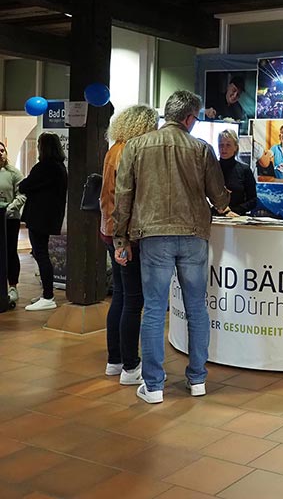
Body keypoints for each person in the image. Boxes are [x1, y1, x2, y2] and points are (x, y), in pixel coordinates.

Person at [114, 90, 230, 404]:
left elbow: (123, 197)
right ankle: (197, 380)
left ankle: (153, 386)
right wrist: (224, 201)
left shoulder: (136, 146)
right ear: (190, 118)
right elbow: (219, 198)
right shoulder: (201, 149)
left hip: (152, 236)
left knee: (153, 310)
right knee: (196, 308)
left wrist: (120, 240)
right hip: (194, 235)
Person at [100, 105, 158, 384]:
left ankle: (116, 360)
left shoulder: (114, 149)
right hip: (124, 234)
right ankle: (131, 366)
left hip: (111, 231)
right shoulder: (129, 152)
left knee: (122, 297)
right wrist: (125, 239)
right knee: (133, 300)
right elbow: (125, 199)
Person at [19, 132, 67, 311]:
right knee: (42, 254)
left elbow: (24, 186)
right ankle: (47, 294)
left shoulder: (44, 167)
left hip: (39, 218)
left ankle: (48, 296)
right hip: (49, 218)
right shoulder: (59, 167)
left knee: (41, 254)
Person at [0, 141, 25, 308]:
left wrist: (11, 207)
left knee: (10, 251)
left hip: (10, 219)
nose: (0, 153)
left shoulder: (14, 173)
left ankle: (13, 286)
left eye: (2, 150)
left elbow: (22, 194)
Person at [214, 129, 257, 217]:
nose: (224, 148)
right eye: (221, 145)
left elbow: (253, 200)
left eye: (228, 145)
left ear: (236, 147)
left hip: (236, 218)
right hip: (213, 218)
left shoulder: (244, 170)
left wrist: (235, 210)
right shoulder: (211, 169)